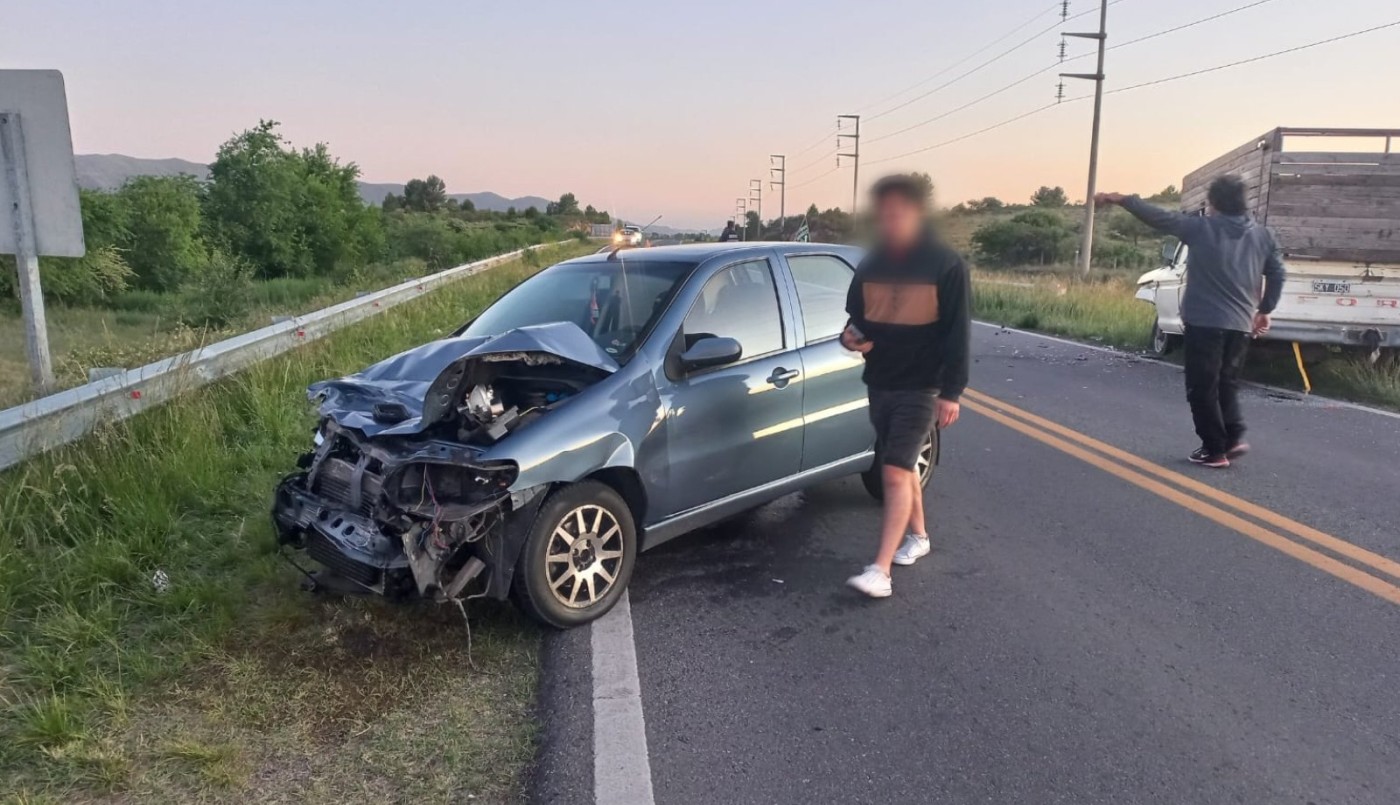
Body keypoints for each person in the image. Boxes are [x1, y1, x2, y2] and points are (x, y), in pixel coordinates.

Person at [1097, 175, 1286, 469]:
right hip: (1240, 325)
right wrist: (1265, 309)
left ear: (1214, 203)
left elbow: (1159, 217)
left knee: (1201, 387)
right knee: (1226, 383)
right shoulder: (1263, 236)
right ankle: (1233, 438)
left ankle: (1214, 449)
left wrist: (1122, 199)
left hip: (1205, 323)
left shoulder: (1200, 228)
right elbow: (1277, 274)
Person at [843, 174, 971, 599]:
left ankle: (880, 570)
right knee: (903, 462)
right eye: (884, 214)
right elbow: (855, 318)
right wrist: (850, 338)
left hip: (922, 386)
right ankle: (919, 537)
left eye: (898, 212)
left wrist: (952, 392)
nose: (890, 220)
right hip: (879, 379)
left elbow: (958, 333)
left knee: (895, 469)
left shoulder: (945, 264)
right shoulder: (872, 263)